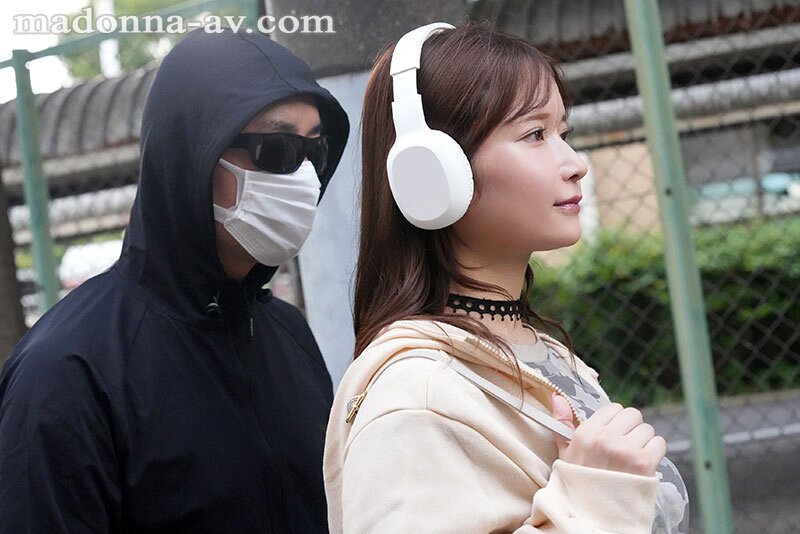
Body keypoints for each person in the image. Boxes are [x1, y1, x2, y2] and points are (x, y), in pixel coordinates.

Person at [324, 22, 688, 533]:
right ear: (433, 172)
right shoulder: (416, 396)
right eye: (535, 134)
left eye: (564, 133)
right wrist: (594, 505)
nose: (575, 164)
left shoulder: (529, 350)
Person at [0, 28, 348, 533]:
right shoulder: (66, 372)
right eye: (276, 150)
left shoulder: (288, 334)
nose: (305, 178)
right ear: (192, 153)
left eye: (315, 151)